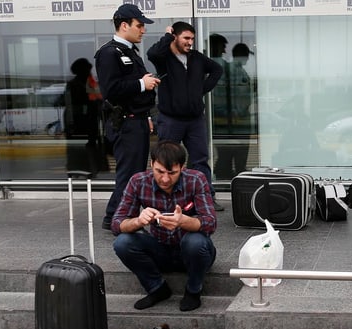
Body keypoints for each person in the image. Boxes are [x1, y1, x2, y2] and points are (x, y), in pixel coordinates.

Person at [112, 140, 217, 311]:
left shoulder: (196, 179)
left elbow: (210, 222)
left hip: (193, 251)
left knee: (195, 242)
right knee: (122, 242)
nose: (165, 179)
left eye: (172, 173)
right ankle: (156, 288)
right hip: (159, 248)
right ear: (151, 164)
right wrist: (138, 220)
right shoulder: (138, 181)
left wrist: (183, 221)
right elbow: (117, 224)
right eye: (159, 171)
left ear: (182, 167)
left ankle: (193, 290)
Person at [94, 4, 160, 231]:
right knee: (129, 175)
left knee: (136, 173)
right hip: (125, 122)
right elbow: (111, 90)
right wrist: (143, 84)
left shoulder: (129, 51)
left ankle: (116, 215)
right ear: (124, 25)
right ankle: (118, 220)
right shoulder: (109, 53)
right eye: (139, 25)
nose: (143, 30)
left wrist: (146, 115)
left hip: (137, 119)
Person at [147, 21, 225, 211]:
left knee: (200, 160)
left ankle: (206, 199)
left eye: (192, 39)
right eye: (186, 38)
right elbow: (153, 53)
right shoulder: (164, 58)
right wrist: (167, 36)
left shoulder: (196, 58)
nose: (190, 42)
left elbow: (217, 70)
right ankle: (164, 200)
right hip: (170, 119)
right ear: (175, 36)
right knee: (166, 160)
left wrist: (201, 89)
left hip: (195, 120)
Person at [214, 42, 254, 178]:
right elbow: (235, 94)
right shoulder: (234, 70)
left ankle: (232, 172)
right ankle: (232, 173)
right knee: (233, 151)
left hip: (235, 117)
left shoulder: (237, 70)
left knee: (232, 151)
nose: (248, 59)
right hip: (235, 118)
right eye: (247, 56)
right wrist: (235, 112)